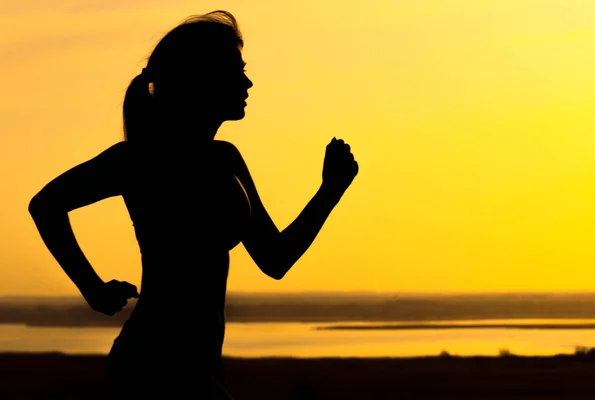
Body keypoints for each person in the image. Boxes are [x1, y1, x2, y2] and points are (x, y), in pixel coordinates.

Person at [28, 10, 358, 399]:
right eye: (236, 71)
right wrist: (92, 288)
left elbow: (275, 259)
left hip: (197, 369)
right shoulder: (141, 158)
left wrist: (331, 190)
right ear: (201, 78)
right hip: (151, 368)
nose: (248, 82)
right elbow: (46, 204)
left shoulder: (226, 159)